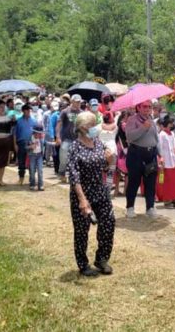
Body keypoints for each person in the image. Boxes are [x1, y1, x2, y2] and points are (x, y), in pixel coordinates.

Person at [67, 111, 116, 277]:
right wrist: (82, 200)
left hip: (100, 191)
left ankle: (102, 259)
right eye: (93, 124)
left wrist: (111, 161)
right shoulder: (74, 147)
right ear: (82, 127)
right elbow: (74, 176)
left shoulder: (97, 142)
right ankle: (83, 264)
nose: (96, 127)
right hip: (82, 193)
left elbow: (108, 167)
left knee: (108, 222)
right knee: (82, 230)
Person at [124, 101, 159, 219]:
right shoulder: (132, 120)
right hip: (136, 154)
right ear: (138, 107)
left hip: (151, 154)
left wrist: (160, 155)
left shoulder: (152, 120)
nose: (147, 109)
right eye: (144, 106)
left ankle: (150, 207)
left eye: (149, 107)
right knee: (134, 182)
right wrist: (143, 128)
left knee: (151, 183)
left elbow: (156, 139)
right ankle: (130, 207)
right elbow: (129, 137)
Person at [56, 94, 83, 184]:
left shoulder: (81, 113)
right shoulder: (65, 111)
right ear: (72, 101)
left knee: (77, 159)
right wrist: (58, 136)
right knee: (63, 158)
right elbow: (59, 124)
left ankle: (74, 176)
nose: (79, 103)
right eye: (77, 101)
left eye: (79, 101)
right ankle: (62, 173)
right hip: (66, 139)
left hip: (78, 139)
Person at [15, 105, 38, 185]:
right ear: (23, 111)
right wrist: (15, 144)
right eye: (27, 110)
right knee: (21, 161)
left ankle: (32, 178)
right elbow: (14, 134)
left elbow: (36, 133)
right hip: (21, 143)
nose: (28, 112)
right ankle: (21, 178)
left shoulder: (34, 121)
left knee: (32, 161)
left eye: (29, 110)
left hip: (31, 143)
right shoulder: (18, 121)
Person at [113, 111, 130, 197]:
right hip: (124, 149)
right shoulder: (124, 125)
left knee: (118, 170)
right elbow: (128, 135)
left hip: (119, 147)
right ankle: (125, 191)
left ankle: (117, 190)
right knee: (126, 171)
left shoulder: (119, 124)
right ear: (125, 116)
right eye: (128, 116)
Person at [28, 125, 45, 191]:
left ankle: (40, 185)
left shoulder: (41, 138)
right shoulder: (30, 138)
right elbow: (25, 147)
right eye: (38, 133)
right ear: (34, 132)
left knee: (40, 170)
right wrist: (30, 146)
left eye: (40, 133)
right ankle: (32, 184)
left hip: (39, 156)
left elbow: (45, 143)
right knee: (32, 170)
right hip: (32, 156)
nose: (39, 134)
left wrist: (53, 143)